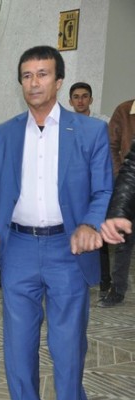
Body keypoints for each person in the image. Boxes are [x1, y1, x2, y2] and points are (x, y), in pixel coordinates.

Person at [0, 45, 113, 400]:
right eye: (27, 75)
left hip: (68, 249)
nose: (34, 82)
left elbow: (103, 189)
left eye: (43, 74)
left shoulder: (90, 132)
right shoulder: (4, 134)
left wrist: (90, 224)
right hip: (18, 249)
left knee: (67, 344)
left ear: (59, 80)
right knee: (18, 345)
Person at [69, 82, 113, 299]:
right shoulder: (65, 125)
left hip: (98, 187)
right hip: (74, 190)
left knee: (98, 234)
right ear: (70, 101)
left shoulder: (103, 123)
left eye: (84, 96)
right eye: (76, 97)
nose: (80, 101)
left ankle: (104, 282)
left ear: (91, 100)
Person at [98, 98, 135, 307]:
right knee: (123, 241)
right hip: (130, 187)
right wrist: (120, 175)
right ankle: (118, 289)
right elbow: (111, 146)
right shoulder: (124, 110)